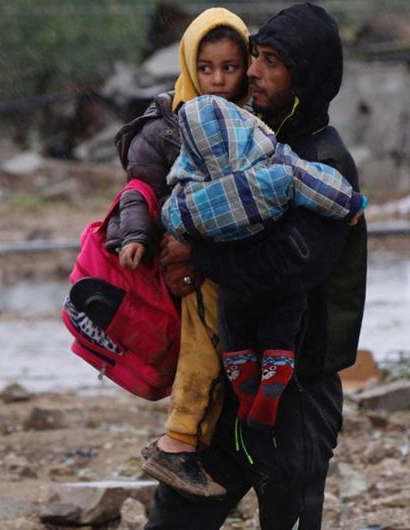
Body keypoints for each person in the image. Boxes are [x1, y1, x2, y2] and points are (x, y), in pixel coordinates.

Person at [146, 4, 367, 528]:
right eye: (255, 57)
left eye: (270, 61)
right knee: (175, 519)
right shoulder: (242, 136)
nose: (252, 72)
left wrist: (197, 254)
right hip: (233, 377)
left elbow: (285, 268)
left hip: (297, 386)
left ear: (305, 75)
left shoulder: (323, 163)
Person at [108, 7, 252, 499]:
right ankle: (179, 441)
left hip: (229, 260)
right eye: (205, 68)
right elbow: (139, 190)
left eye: (230, 68)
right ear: (190, 65)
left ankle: (196, 445)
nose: (216, 80)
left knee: (218, 351)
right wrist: (135, 237)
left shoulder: (252, 119)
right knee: (202, 351)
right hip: (188, 264)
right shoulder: (167, 123)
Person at [161, 94, 366, 429]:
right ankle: (275, 374)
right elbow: (319, 189)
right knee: (284, 318)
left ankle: (244, 382)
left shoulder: (190, 197)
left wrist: (192, 243)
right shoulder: (276, 170)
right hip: (274, 259)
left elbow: (173, 221)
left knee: (233, 324)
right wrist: (351, 204)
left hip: (230, 276)